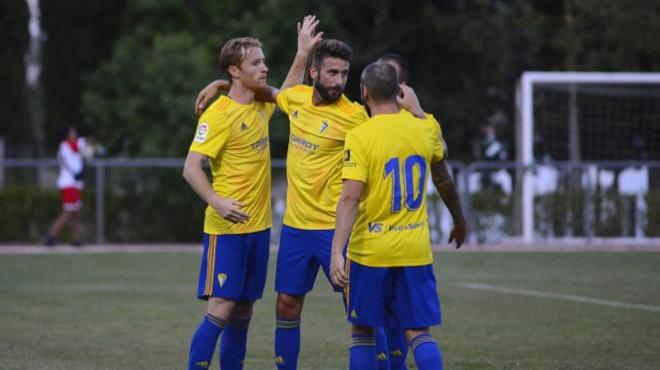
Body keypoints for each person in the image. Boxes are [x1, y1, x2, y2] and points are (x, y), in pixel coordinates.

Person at [195, 41, 428, 370]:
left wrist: (418, 115)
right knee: (286, 304)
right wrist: (220, 84)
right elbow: (261, 91)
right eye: (332, 72)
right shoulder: (298, 99)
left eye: (345, 74)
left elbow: (392, 129)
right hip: (295, 229)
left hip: (336, 228)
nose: (338, 81)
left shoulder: (355, 117)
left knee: (363, 309)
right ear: (314, 72)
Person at [183, 17, 322, 370]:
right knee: (222, 307)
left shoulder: (259, 104)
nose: (264, 67)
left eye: (263, 61)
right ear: (234, 69)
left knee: (243, 310)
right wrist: (217, 201)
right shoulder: (217, 116)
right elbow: (191, 167)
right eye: (256, 63)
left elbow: (287, 92)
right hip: (226, 230)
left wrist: (303, 53)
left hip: (257, 229)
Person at [329, 62, 467, 370]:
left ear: (364, 93)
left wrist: (337, 250)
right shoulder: (425, 127)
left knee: (363, 331)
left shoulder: (360, 136)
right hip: (414, 250)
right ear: (399, 91)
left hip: (370, 252)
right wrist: (459, 219)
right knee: (418, 332)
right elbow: (443, 177)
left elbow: (350, 197)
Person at [45, 126, 97, 247]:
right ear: (67, 134)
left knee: (76, 213)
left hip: (73, 184)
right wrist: (92, 140)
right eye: (72, 131)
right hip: (69, 184)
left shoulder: (68, 146)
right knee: (69, 212)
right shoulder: (67, 145)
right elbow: (84, 143)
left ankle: (76, 239)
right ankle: (51, 236)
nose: (75, 133)